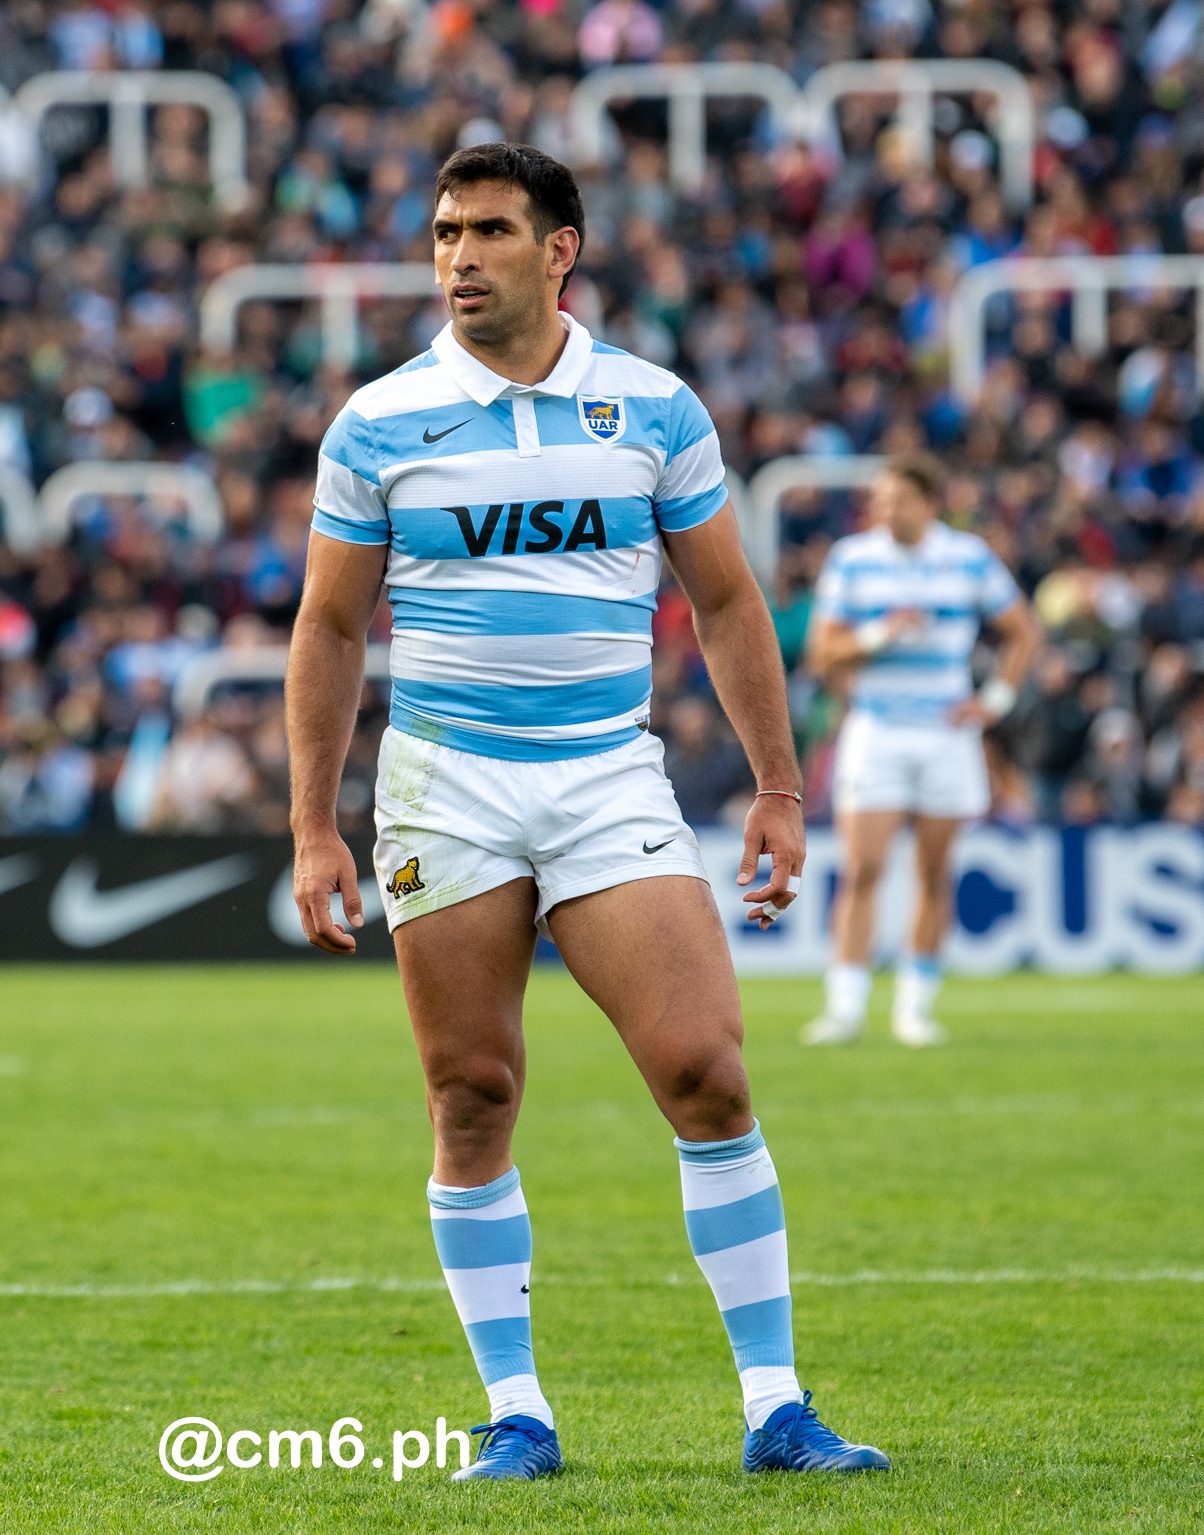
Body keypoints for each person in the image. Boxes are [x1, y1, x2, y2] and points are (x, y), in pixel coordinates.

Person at [286, 142, 889, 1482]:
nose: (459, 255)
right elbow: (328, 624)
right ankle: (517, 1411)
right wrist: (311, 823)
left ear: (559, 250)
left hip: (607, 773)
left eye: (490, 230)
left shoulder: (653, 408)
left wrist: (782, 786)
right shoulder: (380, 420)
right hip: (448, 783)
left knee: (706, 1069)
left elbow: (729, 601)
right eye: (445, 230)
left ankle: (777, 1405)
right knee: (474, 1089)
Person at [801, 455, 1040, 1047]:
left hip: (946, 734)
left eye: (898, 500)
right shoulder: (853, 558)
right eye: (880, 501)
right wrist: (881, 633)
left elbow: (1023, 632)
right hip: (877, 730)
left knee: (934, 872)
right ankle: (846, 1007)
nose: (886, 511)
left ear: (930, 504)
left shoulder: (969, 557)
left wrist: (998, 699)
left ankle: (914, 1007)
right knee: (864, 868)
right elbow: (821, 652)